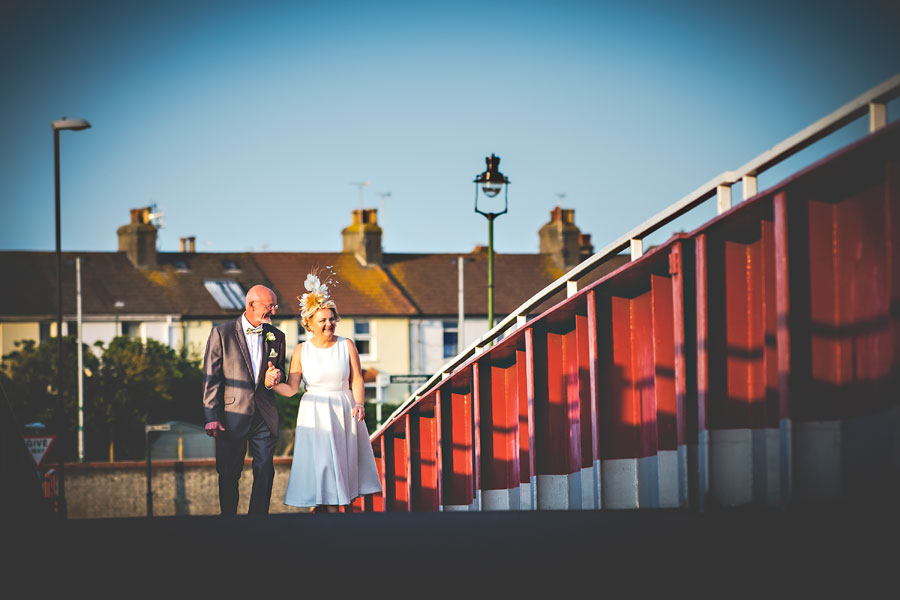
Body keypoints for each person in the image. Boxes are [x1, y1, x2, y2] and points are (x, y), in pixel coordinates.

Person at [266, 270, 381, 512]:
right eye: (323, 320)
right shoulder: (301, 351)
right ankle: (320, 504)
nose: (329, 324)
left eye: (331, 319)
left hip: (344, 407)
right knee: (321, 461)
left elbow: (357, 379)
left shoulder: (346, 345)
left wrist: (359, 404)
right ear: (309, 324)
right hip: (314, 410)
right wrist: (271, 383)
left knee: (343, 459)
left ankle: (344, 504)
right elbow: (291, 389)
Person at [202, 284, 286, 515]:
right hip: (232, 415)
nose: (274, 312)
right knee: (229, 472)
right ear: (252, 305)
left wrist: (275, 376)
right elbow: (212, 377)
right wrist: (211, 416)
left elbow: (279, 373)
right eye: (270, 306)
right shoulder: (222, 333)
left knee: (265, 468)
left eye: (274, 306)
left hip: (264, 414)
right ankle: (228, 518)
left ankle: (257, 520)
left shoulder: (277, 336)